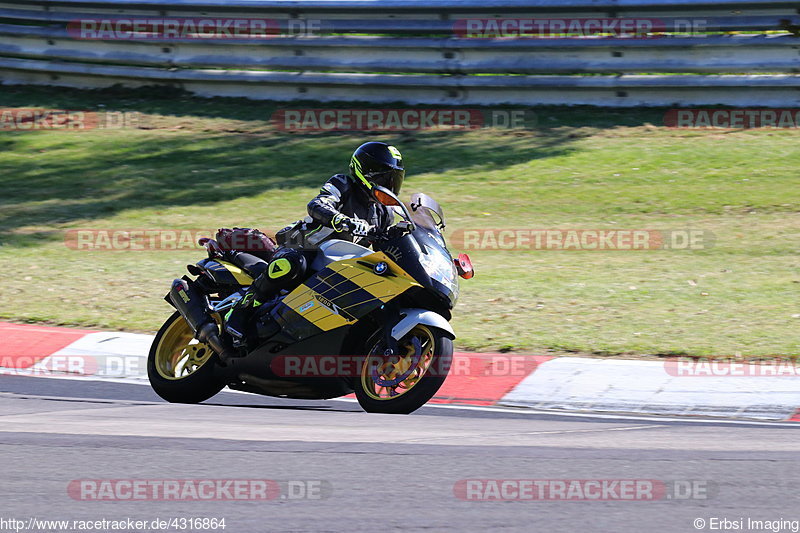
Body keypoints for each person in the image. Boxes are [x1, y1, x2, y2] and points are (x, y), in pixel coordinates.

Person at [223, 141, 406, 346]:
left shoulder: (384, 212)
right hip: (304, 242)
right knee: (293, 264)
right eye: (384, 176)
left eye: (393, 178)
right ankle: (241, 309)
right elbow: (317, 204)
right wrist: (340, 219)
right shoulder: (343, 184)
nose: (389, 184)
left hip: (339, 261)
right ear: (366, 171)